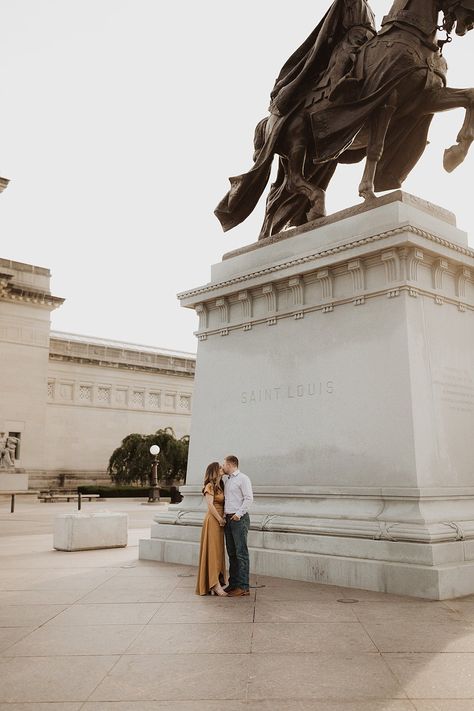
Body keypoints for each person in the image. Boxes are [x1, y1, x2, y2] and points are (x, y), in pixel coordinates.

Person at [222, 455, 254, 597]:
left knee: (241, 553)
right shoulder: (227, 480)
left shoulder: (243, 478)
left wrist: (238, 514)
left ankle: (243, 587)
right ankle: (233, 584)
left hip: (238, 519)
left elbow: (249, 498)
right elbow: (228, 500)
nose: (223, 467)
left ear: (230, 464)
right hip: (228, 519)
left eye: (224, 464)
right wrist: (225, 515)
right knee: (232, 553)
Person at [195, 462, 228, 596]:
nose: (222, 469)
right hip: (213, 521)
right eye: (220, 467)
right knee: (213, 551)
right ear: (214, 471)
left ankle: (216, 581)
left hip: (220, 521)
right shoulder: (209, 486)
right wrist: (220, 519)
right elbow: (210, 505)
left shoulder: (221, 486)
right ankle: (215, 584)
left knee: (218, 551)